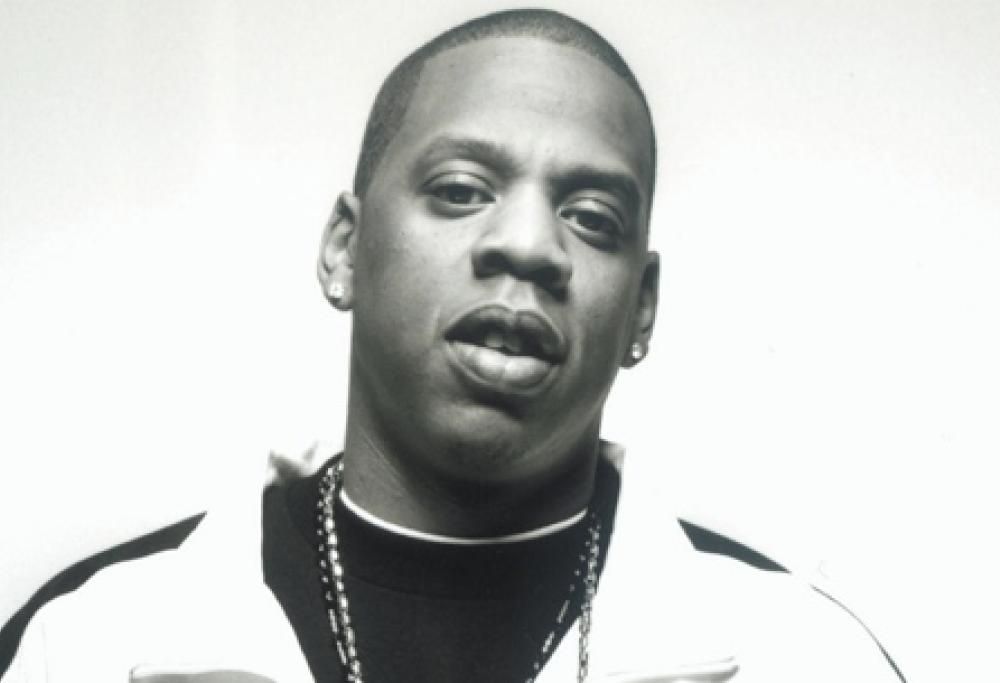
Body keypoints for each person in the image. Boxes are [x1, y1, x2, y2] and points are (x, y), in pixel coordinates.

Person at [1, 8, 905, 683]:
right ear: (345, 249)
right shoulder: (85, 647)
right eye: (463, 190)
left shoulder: (805, 658)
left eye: (593, 217)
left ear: (642, 309)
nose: (530, 245)